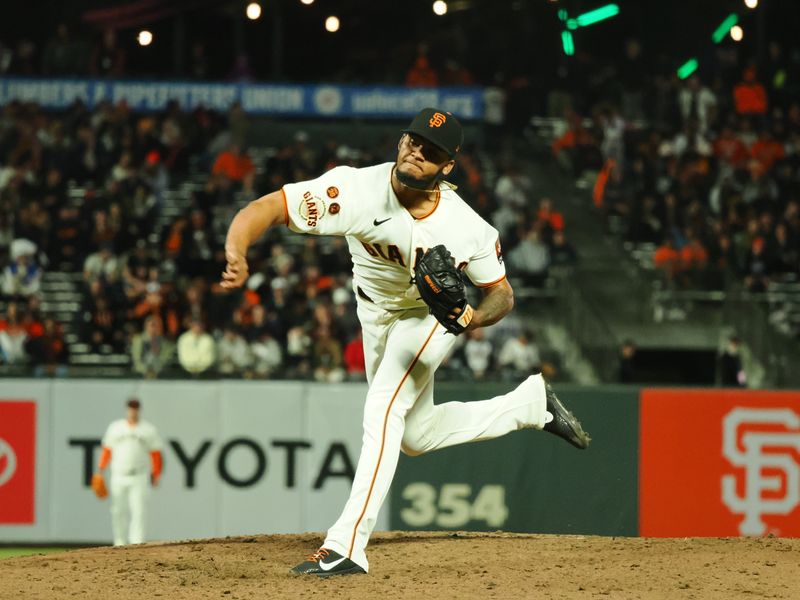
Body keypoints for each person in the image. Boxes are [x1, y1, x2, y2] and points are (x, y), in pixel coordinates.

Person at [220, 107, 590, 577]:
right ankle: (529, 406)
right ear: (400, 142)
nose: (417, 152)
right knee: (415, 436)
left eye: (431, 150)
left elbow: (501, 293)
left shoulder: (467, 227)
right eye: (413, 141)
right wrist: (237, 248)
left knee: (382, 408)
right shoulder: (354, 190)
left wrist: (471, 318)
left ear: (447, 166)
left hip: (427, 317)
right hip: (373, 314)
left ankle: (347, 545)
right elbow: (267, 208)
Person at [94, 398, 163, 546]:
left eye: (135, 408)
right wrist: (100, 470)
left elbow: (156, 454)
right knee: (118, 510)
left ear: (139, 410)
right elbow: (107, 450)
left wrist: (156, 473)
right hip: (118, 474)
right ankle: (119, 542)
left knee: (139, 510)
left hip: (139, 475)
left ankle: (137, 543)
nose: (133, 411)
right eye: (131, 408)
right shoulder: (115, 427)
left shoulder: (148, 429)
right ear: (127, 409)